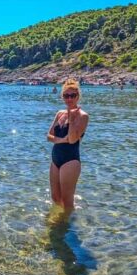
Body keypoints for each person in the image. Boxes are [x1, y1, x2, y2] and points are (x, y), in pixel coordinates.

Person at [47, 79, 89, 212]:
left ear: (78, 96)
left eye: (72, 95)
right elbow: (49, 136)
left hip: (70, 160)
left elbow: (72, 140)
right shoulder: (60, 113)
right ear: (62, 97)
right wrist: (61, 140)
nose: (69, 99)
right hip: (56, 158)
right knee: (55, 197)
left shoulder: (83, 116)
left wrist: (71, 120)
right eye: (66, 95)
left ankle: (69, 227)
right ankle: (59, 222)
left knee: (67, 200)